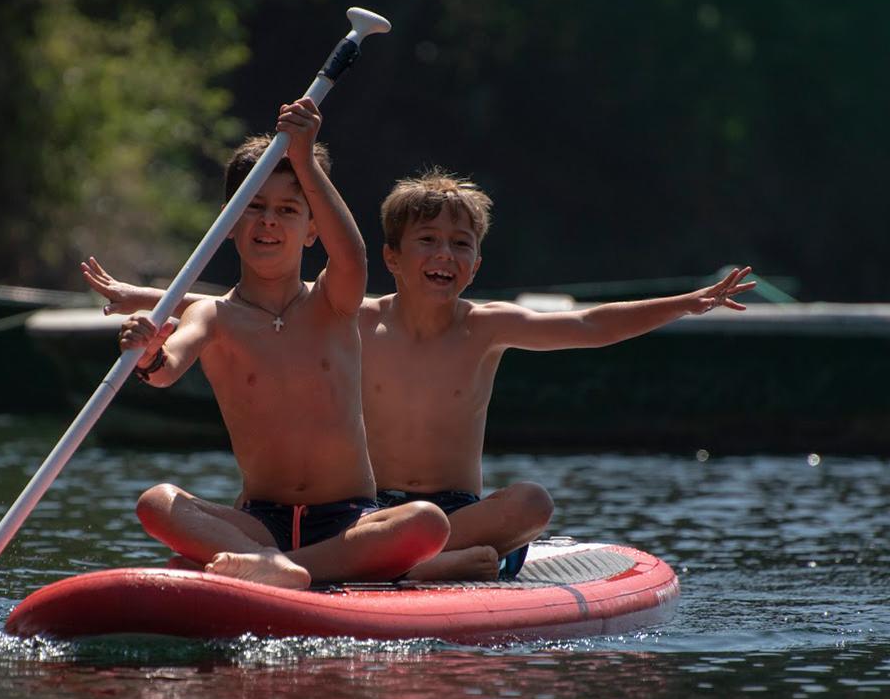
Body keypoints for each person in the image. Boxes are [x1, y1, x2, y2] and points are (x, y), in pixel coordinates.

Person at [89, 169, 756, 581]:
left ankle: (363, 567)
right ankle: (401, 569)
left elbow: (588, 326)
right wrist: (148, 303)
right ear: (394, 259)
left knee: (532, 505)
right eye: (427, 243)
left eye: (460, 244)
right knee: (406, 531)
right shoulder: (357, 318)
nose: (444, 255)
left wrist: (686, 303)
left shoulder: (486, 325)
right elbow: (253, 311)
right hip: (366, 518)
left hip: (451, 515)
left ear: (477, 262)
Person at [114, 98, 450, 590]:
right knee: (156, 502)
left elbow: (353, 254)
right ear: (229, 225)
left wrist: (306, 159)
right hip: (258, 524)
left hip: (349, 521)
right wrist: (145, 350)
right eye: (254, 208)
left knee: (428, 522)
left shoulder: (332, 301)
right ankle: (266, 562)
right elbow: (164, 368)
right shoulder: (212, 313)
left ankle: (286, 570)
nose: (269, 221)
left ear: (312, 228)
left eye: (288, 210)